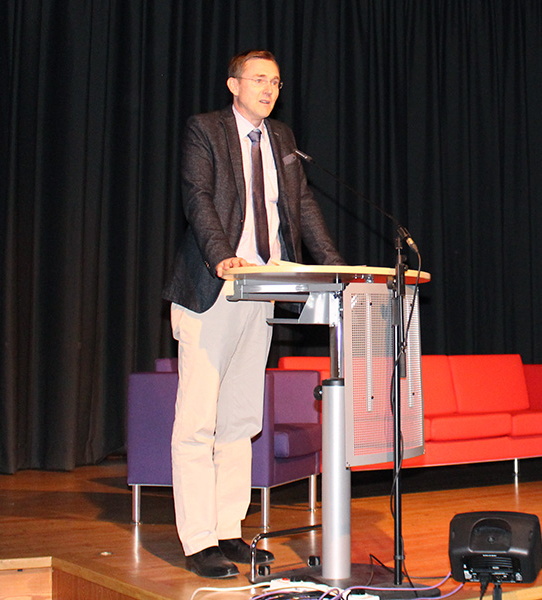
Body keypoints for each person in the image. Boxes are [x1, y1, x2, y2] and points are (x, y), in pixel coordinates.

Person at [162, 49, 345, 579]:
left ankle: (227, 529)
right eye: (259, 79)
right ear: (233, 84)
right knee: (198, 421)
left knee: (241, 420)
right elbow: (198, 198)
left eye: (276, 82)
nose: (269, 89)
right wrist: (222, 256)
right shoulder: (206, 129)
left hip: (262, 291)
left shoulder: (282, 138)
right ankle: (198, 540)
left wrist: (336, 266)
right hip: (213, 288)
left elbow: (302, 205)